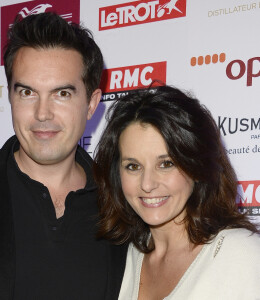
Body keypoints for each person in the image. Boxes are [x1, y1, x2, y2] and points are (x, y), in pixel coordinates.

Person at [0, 12, 127, 300]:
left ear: (91, 103)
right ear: (11, 97)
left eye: (62, 93)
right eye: (27, 92)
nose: (42, 113)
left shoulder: (127, 203)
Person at [93, 85, 260, 299]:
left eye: (166, 164)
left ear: (197, 166)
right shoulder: (125, 258)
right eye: (133, 166)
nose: (147, 184)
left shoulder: (240, 254)